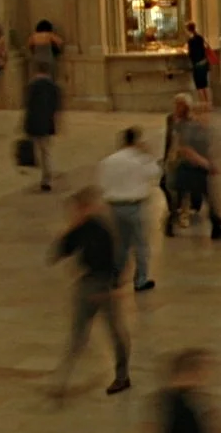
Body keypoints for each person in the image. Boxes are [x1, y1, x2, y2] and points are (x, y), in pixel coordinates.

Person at [50, 187, 132, 401]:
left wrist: (114, 288)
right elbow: (59, 252)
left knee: (115, 331)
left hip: (103, 286)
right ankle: (62, 381)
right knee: (78, 334)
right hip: (86, 284)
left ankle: (122, 376)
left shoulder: (102, 229)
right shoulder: (80, 229)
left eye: (78, 209)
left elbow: (116, 259)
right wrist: (70, 229)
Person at [98, 128, 160, 292]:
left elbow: (102, 184)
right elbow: (155, 172)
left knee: (120, 244)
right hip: (135, 205)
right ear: (137, 142)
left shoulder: (108, 161)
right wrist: (148, 155)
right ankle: (141, 279)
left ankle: (115, 277)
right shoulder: (139, 160)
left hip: (113, 206)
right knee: (140, 244)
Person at [163, 96, 221, 240]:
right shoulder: (189, 127)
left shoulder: (207, 129)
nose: (207, 116)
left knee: (211, 199)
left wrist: (215, 162)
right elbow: (184, 149)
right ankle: (169, 223)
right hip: (186, 170)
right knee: (179, 199)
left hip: (200, 170)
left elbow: (209, 147)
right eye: (203, 112)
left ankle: (217, 230)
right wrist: (205, 162)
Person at [23, 66, 63, 192]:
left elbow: (28, 106)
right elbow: (57, 108)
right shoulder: (54, 87)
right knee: (46, 151)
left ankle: (43, 175)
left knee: (38, 150)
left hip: (34, 123)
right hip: (46, 124)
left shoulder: (32, 86)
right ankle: (47, 178)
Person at [184, 22, 212, 107]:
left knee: (199, 86)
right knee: (205, 84)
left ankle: (203, 104)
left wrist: (186, 51)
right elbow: (206, 47)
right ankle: (209, 103)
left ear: (188, 30)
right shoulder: (200, 37)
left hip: (197, 65)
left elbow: (190, 53)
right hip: (204, 63)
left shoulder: (191, 41)